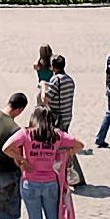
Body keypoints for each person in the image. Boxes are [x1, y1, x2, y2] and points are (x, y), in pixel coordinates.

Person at [2, 106, 83, 219]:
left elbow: (6, 148)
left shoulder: (26, 133)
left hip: (30, 182)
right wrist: (67, 153)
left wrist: (22, 160)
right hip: (51, 184)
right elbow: (80, 145)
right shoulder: (57, 135)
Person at [40, 54, 83, 185]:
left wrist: (43, 86)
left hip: (56, 117)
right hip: (67, 115)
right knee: (64, 143)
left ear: (53, 67)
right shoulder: (69, 80)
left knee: (63, 145)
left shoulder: (55, 80)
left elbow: (45, 99)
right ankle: (68, 174)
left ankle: (72, 175)